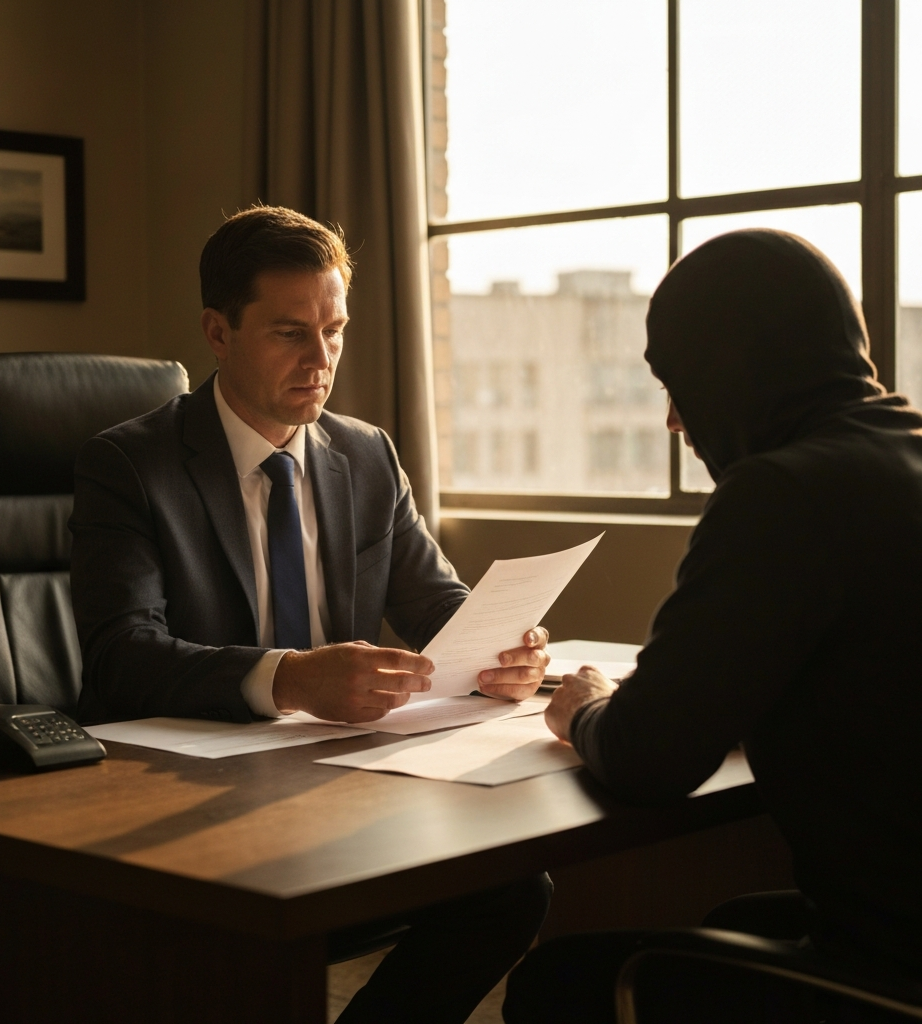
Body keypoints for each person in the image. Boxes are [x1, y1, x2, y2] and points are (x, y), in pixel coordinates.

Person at [69, 204, 552, 1023]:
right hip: (189, 795)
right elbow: (124, 652)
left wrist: (505, 649)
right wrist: (289, 678)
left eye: (335, 329)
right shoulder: (129, 463)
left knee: (510, 890)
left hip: (339, 783)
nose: (321, 360)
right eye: (290, 333)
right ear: (217, 333)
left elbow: (437, 603)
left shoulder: (366, 454)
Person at [504, 229, 922, 1023]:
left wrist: (584, 705)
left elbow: (647, 760)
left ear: (729, 371)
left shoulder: (784, 494)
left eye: (678, 383)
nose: (672, 420)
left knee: (557, 986)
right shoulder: (899, 456)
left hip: (892, 970)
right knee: (729, 924)